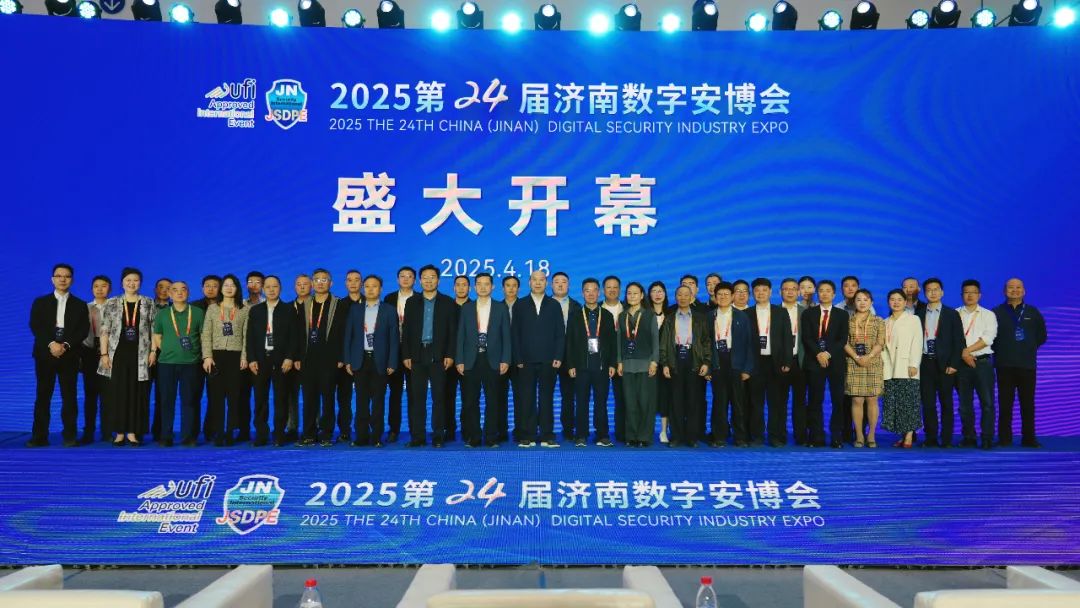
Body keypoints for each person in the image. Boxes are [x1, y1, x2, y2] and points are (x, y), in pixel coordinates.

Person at [28, 263, 90, 448]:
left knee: (69, 396)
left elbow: (83, 330)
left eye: (67, 276)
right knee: (43, 395)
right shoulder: (40, 302)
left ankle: (70, 436)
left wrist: (65, 345)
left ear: (72, 280)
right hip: (44, 354)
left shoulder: (80, 305)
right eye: (59, 276)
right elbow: (36, 326)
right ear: (52, 279)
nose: (63, 279)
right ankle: (39, 436)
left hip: (69, 355)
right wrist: (51, 344)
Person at [98, 267, 156, 447]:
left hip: (140, 355)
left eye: (135, 280)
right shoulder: (112, 302)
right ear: (122, 283)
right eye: (128, 280)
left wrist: (153, 351)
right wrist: (104, 354)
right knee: (118, 393)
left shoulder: (148, 302)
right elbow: (104, 330)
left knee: (137, 393)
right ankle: (119, 432)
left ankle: (132, 432)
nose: (132, 283)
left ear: (141, 283)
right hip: (117, 354)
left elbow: (154, 330)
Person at [402, 265, 457, 447]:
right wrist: (406, 354)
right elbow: (406, 331)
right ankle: (418, 436)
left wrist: (450, 354)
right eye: (425, 277)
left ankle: (438, 436)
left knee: (438, 398)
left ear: (438, 280)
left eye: (432, 277)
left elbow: (452, 332)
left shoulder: (447, 302)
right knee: (417, 398)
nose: (428, 280)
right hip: (417, 354)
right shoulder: (412, 302)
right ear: (420, 281)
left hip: (438, 354)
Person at [455, 272, 511, 448]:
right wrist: (459, 360)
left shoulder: (500, 308)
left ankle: (491, 437)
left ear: (492, 287)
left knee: (493, 401)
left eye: (487, 284)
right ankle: (474, 437)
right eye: (479, 284)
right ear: (474, 287)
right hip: (471, 360)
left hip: (493, 359)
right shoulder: (467, 308)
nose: (483, 287)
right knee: (470, 401)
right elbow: (461, 336)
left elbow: (506, 336)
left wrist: (506, 359)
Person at [344, 275, 399, 447]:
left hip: (380, 361)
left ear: (380, 289)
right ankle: (361, 436)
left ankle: (376, 437)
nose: (370, 289)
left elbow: (394, 339)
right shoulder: (355, 309)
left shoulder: (389, 310)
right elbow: (348, 336)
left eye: (374, 286)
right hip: (360, 360)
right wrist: (347, 361)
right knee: (361, 401)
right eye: (367, 286)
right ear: (363, 288)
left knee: (378, 401)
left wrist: (392, 362)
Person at [512, 270, 565, 448]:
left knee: (546, 398)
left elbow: (560, 333)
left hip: (549, 360)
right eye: (534, 280)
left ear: (546, 283)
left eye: (541, 280)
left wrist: (558, 355)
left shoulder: (554, 304)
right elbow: (515, 334)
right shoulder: (520, 304)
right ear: (529, 283)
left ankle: (547, 434)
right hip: (525, 360)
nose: (538, 283)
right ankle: (527, 434)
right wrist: (518, 357)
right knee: (526, 398)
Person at [245, 276, 299, 446]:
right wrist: (251, 359)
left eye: (275, 286)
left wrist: (290, 357)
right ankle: (261, 434)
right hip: (260, 360)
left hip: (281, 360)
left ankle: (279, 434)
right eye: (267, 287)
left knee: (281, 399)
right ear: (263, 289)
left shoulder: (289, 309)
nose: (271, 290)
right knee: (260, 399)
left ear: (280, 288)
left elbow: (294, 337)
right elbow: (250, 337)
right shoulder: (255, 310)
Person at [993, 277, 1047, 448]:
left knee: (1028, 403)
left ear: (1024, 291)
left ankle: (1029, 438)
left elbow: (1042, 336)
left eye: (1018, 287)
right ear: (1004, 291)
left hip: (1027, 365)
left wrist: (1027, 348)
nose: (1014, 290)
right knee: (1005, 403)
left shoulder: (1033, 312)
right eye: (1010, 287)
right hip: (1004, 365)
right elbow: (990, 338)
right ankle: (1004, 438)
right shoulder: (996, 312)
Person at [298, 269, 348, 446]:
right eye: (317, 280)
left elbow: (344, 333)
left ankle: (326, 434)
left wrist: (342, 357)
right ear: (312, 283)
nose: (320, 283)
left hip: (330, 359)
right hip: (308, 359)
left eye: (324, 279)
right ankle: (309, 434)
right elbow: (297, 334)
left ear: (331, 283)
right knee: (309, 399)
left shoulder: (339, 304)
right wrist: (297, 357)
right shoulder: (304, 305)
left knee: (328, 399)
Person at [152, 281, 205, 447]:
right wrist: (169, 349)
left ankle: (188, 436)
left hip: (191, 363)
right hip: (166, 363)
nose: (179, 293)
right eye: (175, 290)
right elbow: (157, 336)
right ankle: (165, 436)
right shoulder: (162, 314)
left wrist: (196, 354)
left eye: (183, 289)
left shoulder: (198, 312)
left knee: (189, 400)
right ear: (170, 294)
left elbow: (203, 336)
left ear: (188, 292)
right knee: (166, 401)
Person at [565, 278, 617, 447]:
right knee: (581, 402)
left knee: (601, 402)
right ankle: (581, 435)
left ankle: (602, 435)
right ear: (582, 293)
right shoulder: (575, 316)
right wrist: (570, 365)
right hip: (581, 366)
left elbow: (613, 342)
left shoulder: (607, 316)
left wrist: (612, 364)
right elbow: (569, 342)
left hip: (601, 366)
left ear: (599, 292)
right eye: (587, 290)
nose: (591, 293)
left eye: (594, 290)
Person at [916, 278, 964, 448]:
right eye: (929, 290)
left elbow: (959, 341)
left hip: (945, 365)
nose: (933, 292)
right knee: (928, 403)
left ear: (942, 292)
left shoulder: (952, 314)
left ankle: (947, 439)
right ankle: (931, 438)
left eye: (936, 289)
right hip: (925, 363)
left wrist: (954, 364)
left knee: (946, 403)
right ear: (925, 293)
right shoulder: (918, 314)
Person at [800, 280, 849, 448]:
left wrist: (827, 353)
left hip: (836, 362)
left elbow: (842, 338)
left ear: (834, 294)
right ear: (817, 293)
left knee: (837, 400)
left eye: (828, 291)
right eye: (821, 290)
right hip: (814, 361)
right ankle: (816, 436)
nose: (825, 293)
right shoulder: (808, 313)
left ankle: (836, 436)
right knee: (815, 400)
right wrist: (818, 353)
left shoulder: (842, 314)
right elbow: (806, 337)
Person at [659, 285, 710, 448]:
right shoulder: (669, 318)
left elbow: (706, 342)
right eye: (679, 295)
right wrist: (665, 364)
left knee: (693, 400)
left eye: (686, 295)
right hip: (675, 360)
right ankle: (676, 436)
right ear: (676, 297)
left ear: (691, 297)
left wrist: (706, 362)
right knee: (676, 400)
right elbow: (663, 344)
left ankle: (692, 437)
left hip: (694, 360)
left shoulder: (700, 318)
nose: (682, 297)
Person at [201, 274, 248, 447]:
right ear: (221, 288)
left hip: (236, 356)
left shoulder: (244, 309)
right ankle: (219, 432)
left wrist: (244, 357)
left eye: (232, 285)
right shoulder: (213, 308)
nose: (229, 288)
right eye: (226, 285)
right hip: (216, 357)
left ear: (237, 288)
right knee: (216, 397)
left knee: (234, 397)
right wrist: (207, 356)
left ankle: (230, 432)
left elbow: (246, 335)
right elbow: (206, 334)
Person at [747, 278, 794, 447]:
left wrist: (787, 361)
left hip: (776, 363)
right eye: (757, 290)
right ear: (753, 293)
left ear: (770, 292)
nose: (761, 293)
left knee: (776, 402)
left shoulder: (781, 312)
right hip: (755, 363)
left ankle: (775, 436)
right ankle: (757, 436)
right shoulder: (746, 313)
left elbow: (787, 338)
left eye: (764, 290)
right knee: (755, 402)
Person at [705, 282, 753, 447]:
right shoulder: (709, 317)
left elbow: (749, 344)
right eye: (720, 294)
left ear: (732, 296)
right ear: (715, 297)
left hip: (736, 362)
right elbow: (704, 344)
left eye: (726, 294)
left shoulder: (742, 317)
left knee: (738, 402)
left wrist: (747, 369)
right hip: (717, 361)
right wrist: (708, 367)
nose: (723, 297)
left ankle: (740, 437)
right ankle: (719, 436)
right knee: (719, 401)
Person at [956, 279, 998, 450]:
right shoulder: (954, 314)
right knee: (964, 405)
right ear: (962, 295)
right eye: (966, 292)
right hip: (961, 365)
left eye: (973, 292)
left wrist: (966, 351)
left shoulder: (988, 315)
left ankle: (987, 438)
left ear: (979, 295)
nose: (970, 295)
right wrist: (963, 355)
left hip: (983, 363)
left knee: (987, 403)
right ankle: (969, 437)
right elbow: (950, 339)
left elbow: (988, 338)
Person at [618, 282, 660, 447]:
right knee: (630, 403)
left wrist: (654, 361)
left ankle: (644, 436)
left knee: (645, 403)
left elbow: (655, 339)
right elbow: (619, 341)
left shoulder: (649, 315)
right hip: (627, 364)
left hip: (646, 364)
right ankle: (631, 436)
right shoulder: (622, 316)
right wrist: (619, 361)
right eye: (629, 293)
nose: (632, 296)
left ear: (642, 295)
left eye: (635, 293)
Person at [843, 289, 885, 448]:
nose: (862, 303)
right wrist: (856, 357)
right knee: (857, 399)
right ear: (854, 302)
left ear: (871, 302)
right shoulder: (847, 321)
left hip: (873, 363)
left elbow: (880, 342)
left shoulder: (879, 321)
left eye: (866, 300)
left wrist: (869, 356)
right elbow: (844, 342)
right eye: (859, 299)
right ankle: (859, 435)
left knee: (872, 399)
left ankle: (871, 434)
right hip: (853, 362)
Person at [881, 289, 923, 449]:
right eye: (892, 299)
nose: (896, 302)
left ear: (906, 302)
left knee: (909, 402)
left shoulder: (913, 319)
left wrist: (914, 363)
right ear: (888, 302)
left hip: (907, 367)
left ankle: (910, 435)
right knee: (896, 403)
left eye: (899, 299)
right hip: (889, 368)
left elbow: (917, 342)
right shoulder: (885, 322)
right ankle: (902, 435)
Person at [383, 266, 417, 443]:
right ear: (397, 279)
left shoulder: (420, 299)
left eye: (409, 276)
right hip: (393, 351)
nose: (405, 279)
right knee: (395, 393)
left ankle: (415, 429)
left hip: (414, 351)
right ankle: (394, 429)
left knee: (414, 393)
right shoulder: (389, 299)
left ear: (415, 280)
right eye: (402, 276)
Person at [189, 274, 221, 441]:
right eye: (207, 285)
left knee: (214, 395)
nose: (210, 289)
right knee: (194, 395)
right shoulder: (193, 307)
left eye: (214, 286)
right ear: (202, 288)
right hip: (195, 358)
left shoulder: (225, 305)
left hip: (217, 357)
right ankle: (192, 432)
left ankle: (211, 430)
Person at [80, 275, 111, 444]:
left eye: (103, 286)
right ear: (92, 289)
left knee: (108, 395)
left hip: (110, 355)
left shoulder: (115, 307)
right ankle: (88, 432)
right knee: (90, 395)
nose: (100, 289)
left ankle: (107, 432)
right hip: (89, 354)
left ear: (110, 288)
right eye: (96, 286)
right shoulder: (84, 308)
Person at [778, 278, 810, 446]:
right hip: (780, 363)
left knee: (800, 401)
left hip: (800, 361)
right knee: (779, 401)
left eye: (793, 289)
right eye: (786, 289)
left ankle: (801, 436)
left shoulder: (806, 312)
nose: (789, 292)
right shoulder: (774, 311)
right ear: (780, 292)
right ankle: (780, 435)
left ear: (798, 292)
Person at [335, 269, 364, 444]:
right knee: (344, 398)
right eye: (349, 280)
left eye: (356, 280)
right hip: (344, 359)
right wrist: (343, 358)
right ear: (345, 283)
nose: (353, 283)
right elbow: (337, 335)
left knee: (365, 398)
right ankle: (345, 430)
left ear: (362, 283)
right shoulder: (338, 305)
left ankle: (365, 430)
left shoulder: (371, 302)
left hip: (366, 358)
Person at [551, 271, 580, 441]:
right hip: (547, 356)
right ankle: (543, 429)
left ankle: (568, 429)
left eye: (564, 282)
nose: (560, 285)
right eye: (557, 282)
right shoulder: (543, 304)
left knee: (568, 396)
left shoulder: (577, 306)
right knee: (544, 395)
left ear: (569, 285)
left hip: (570, 357)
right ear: (551, 285)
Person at [236, 270, 264, 443]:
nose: (253, 285)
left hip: (261, 356)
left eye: (257, 282)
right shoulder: (240, 305)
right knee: (242, 396)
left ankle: (261, 430)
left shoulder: (268, 304)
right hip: (243, 356)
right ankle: (243, 430)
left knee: (261, 396)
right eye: (250, 282)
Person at [284, 273, 311, 442]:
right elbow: (285, 337)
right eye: (298, 284)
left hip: (311, 358)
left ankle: (313, 427)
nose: (302, 287)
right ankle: (292, 428)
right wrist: (291, 357)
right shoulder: (287, 308)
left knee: (312, 395)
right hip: (290, 359)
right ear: (294, 287)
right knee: (290, 395)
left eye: (305, 284)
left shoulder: (317, 306)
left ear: (311, 286)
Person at [443, 274, 471, 442]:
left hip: (469, 359)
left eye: (464, 285)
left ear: (470, 288)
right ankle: (449, 429)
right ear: (453, 288)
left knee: (468, 397)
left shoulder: (476, 306)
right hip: (448, 359)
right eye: (458, 285)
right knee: (447, 396)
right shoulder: (446, 306)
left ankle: (467, 429)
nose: (461, 288)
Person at [602, 275, 627, 443]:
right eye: (608, 287)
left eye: (615, 287)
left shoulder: (628, 309)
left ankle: (622, 432)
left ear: (620, 289)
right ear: (603, 290)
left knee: (623, 398)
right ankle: (602, 433)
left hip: (623, 360)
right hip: (601, 361)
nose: (612, 290)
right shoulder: (595, 309)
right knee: (600, 398)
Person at [648, 281, 671, 444]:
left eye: (660, 291)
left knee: (665, 397)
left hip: (666, 363)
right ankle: (647, 430)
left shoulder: (672, 313)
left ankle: (664, 431)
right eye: (654, 291)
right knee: (647, 397)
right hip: (648, 362)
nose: (657, 294)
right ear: (649, 294)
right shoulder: (644, 313)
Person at [149, 277, 171, 442]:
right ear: (155, 289)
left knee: (163, 395)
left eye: (168, 288)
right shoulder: (145, 305)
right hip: (146, 356)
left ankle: (160, 431)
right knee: (141, 394)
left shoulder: (177, 308)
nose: (164, 290)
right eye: (160, 287)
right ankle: (137, 431)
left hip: (167, 356)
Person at [500, 275, 521, 443]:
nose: (511, 288)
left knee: (521, 396)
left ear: (519, 288)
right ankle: (501, 430)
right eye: (508, 285)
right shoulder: (495, 306)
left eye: (514, 285)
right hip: (499, 358)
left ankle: (520, 430)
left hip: (520, 359)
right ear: (503, 288)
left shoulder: (525, 306)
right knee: (499, 396)